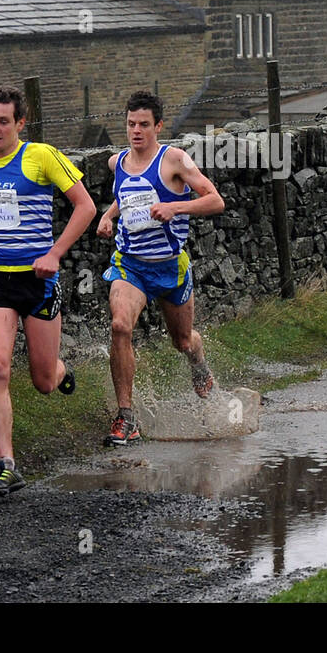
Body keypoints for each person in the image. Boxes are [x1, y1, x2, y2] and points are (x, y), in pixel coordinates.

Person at [0, 86, 95, 499]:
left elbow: (86, 206)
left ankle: (61, 371)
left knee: (43, 381)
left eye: (3, 121)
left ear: (20, 123)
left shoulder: (40, 157)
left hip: (38, 281)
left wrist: (56, 253)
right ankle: (7, 463)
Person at [96, 90, 225, 446]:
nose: (136, 131)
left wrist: (175, 209)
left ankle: (199, 365)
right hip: (130, 265)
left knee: (182, 340)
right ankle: (126, 417)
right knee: (120, 325)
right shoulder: (117, 163)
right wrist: (107, 217)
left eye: (144, 125)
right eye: (130, 124)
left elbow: (215, 200)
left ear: (158, 126)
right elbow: (127, 198)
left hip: (170, 267)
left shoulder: (175, 161)